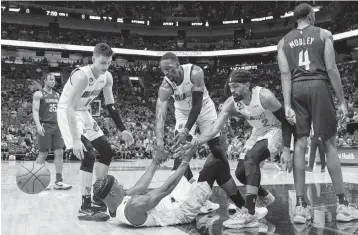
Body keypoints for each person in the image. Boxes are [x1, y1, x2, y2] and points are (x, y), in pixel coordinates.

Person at [177, 69, 294, 228]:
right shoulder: (231, 103)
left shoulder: (264, 96)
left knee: (251, 158)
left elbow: (286, 122)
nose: (232, 90)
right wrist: (196, 142)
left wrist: (286, 149)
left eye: (236, 86)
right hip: (258, 132)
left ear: (247, 85)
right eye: (231, 86)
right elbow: (214, 129)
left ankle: (250, 213)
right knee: (240, 173)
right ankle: (265, 196)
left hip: (276, 129)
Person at [277, 3, 358, 223]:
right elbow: (331, 69)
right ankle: (342, 205)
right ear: (311, 17)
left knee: (300, 145)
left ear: (295, 19)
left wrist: (286, 104)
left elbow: (285, 73)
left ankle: (301, 207)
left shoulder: (283, 42)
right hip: (319, 85)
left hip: (296, 89)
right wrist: (342, 101)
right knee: (329, 143)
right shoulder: (324, 34)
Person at [93, 143, 268, 227]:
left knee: (178, 158)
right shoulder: (132, 207)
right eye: (118, 184)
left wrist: (155, 161)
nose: (121, 184)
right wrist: (187, 159)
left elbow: (139, 187)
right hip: (181, 210)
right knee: (216, 164)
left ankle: (243, 207)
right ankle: (246, 211)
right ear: (113, 194)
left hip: (173, 198)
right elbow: (164, 189)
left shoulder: (113, 206)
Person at [155, 52, 246, 214]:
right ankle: (193, 197)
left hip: (204, 108)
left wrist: (185, 129)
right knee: (181, 151)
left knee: (217, 151)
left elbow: (196, 106)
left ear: (178, 64)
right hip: (182, 112)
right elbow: (160, 116)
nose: (167, 74)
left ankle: (236, 201)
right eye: (163, 71)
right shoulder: (165, 86)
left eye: (169, 69)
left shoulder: (195, 72)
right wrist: (159, 142)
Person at [57, 43, 134, 221]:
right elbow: (69, 108)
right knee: (88, 154)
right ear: (93, 59)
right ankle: (84, 207)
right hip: (67, 112)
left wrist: (123, 129)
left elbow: (110, 105)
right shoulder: (82, 76)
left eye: (108, 63)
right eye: (102, 63)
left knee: (107, 150)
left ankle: (99, 197)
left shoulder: (107, 77)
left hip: (84, 113)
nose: (105, 67)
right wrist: (76, 140)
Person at [32, 73, 71, 190]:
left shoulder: (57, 95)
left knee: (59, 153)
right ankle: (38, 181)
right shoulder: (39, 94)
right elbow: (35, 110)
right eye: (50, 79)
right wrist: (38, 125)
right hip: (45, 125)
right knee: (43, 154)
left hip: (57, 126)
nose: (53, 81)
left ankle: (58, 182)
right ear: (45, 81)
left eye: (54, 80)